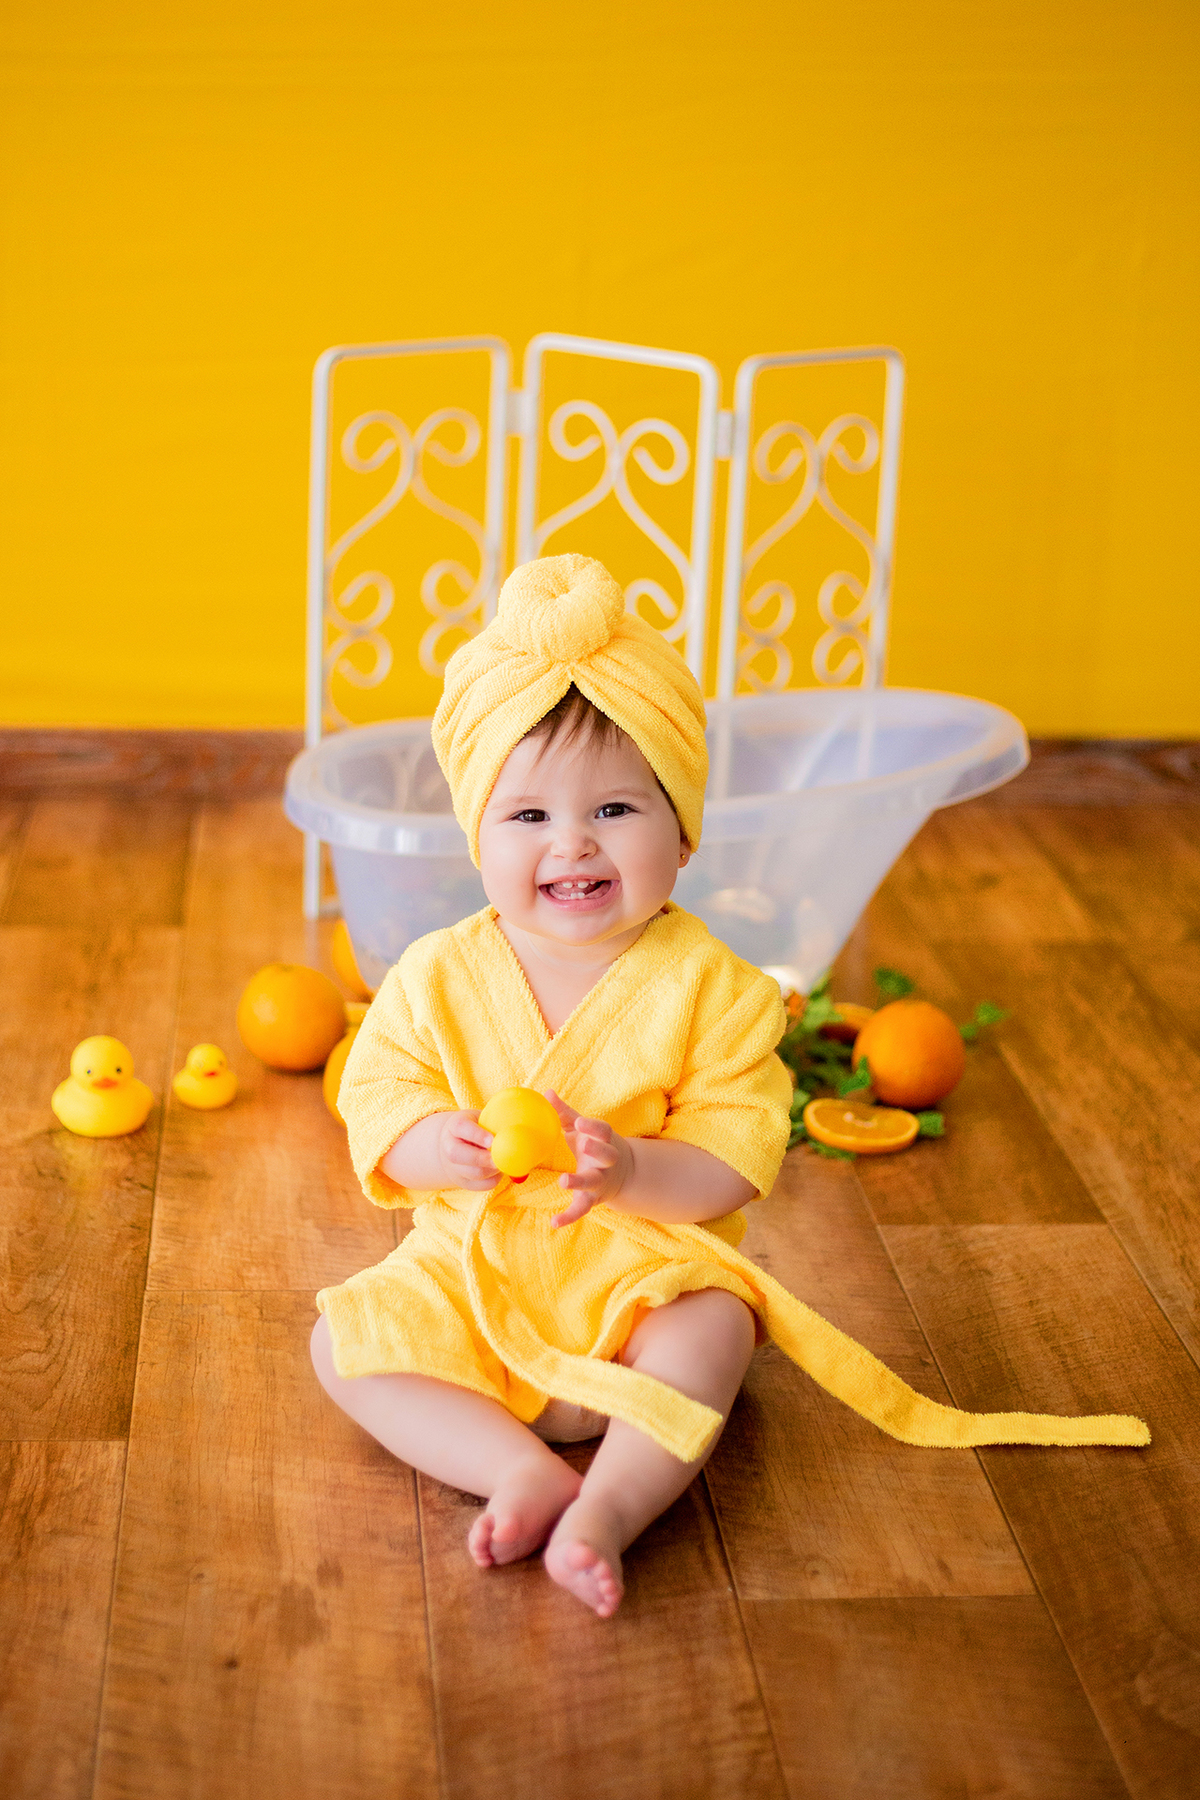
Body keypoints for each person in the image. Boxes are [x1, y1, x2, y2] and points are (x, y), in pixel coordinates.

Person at [311, 553, 1147, 1620]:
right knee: (343, 1341)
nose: (572, 841)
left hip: (637, 1278)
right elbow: (377, 1099)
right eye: (527, 818)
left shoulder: (719, 988)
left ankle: (611, 1506)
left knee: (717, 1327)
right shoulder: (433, 974)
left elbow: (734, 1158)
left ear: (685, 831)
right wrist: (442, 1146)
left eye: (615, 808)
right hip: (476, 1280)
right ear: (477, 834)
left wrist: (629, 1169)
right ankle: (516, 1472)